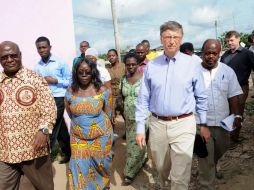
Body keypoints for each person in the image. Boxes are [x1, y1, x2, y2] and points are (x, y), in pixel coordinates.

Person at [135, 21, 208, 190]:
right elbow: (143, 99)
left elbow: (201, 97)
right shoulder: (152, 66)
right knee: (161, 168)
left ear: (181, 39)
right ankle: (164, 183)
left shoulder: (193, 64)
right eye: (168, 37)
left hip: (184, 124)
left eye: (176, 37)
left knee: (180, 174)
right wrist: (140, 128)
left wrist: (203, 124)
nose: (172, 41)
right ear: (161, 39)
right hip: (157, 125)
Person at [0, 41, 57, 190]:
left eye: (13, 55)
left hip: (33, 149)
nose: (10, 59)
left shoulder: (35, 79)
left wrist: (44, 130)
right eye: (5, 57)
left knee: (43, 187)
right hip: (5, 151)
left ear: (20, 56)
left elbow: (49, 108)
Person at [197, 39, 242, 190]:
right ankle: (206, 184)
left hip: (223, 122)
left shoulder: (227, 71)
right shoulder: (194, 73)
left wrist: (237, 116)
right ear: (202, 54)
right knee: (205, 156)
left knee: (221, 149)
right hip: (203, 124)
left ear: (219, 54)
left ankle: (213, 165)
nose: (210, 56)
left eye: (214, 53)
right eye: (207, 53)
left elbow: (234, 96)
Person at [65, 57, 113, 190]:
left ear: (93, 72)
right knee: (79, 169)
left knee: (101, 167)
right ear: (76, 73)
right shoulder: (70, 92)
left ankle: (104, 187)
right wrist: (82, 125)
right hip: (78, 138)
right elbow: (70, 113)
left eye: (87, 72)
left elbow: (108, 113)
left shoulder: (103, 90)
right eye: (81, 72)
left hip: (101, 137)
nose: (84, 75)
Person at [34, 36, 71, 164]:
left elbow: (70, 81)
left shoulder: (60, 63)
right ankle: (68, 153)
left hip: (59, 98)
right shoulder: (37, 67)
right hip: (45, 100)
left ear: (50, 47)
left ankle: (45, 157)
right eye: (39, 48)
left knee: (51, 126)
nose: (42, 50)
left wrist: (55, 80)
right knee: (61, 128)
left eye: (44, 47)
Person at [220, 31, 254, 143]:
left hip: (241, 88)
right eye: (228, 41)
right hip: (225, 88)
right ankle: (227, 135)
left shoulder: (247, 53)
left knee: (237, 111)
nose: (229, 43)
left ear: (238, 39)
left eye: (232, 40)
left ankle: (234, 139)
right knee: (227, 111)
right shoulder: (225, 55)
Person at [121, 52, 148, 186]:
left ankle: (129, 173)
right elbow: (122, 96)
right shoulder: (123, 79)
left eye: (133, 64)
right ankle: (142, 159)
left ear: (138, 64)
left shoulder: (144, 78)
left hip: (142, 116)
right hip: (128, 116)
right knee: (134, 143)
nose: (131, 67)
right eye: (128, 64)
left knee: (134, 145)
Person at [106, 49, 125, 124]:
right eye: (109, 56)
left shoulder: (123, 66)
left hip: (122, 96)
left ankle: (128, 134)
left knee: (126, 116)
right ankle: (112, 135)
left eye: (113, 55)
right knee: (111, 118)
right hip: (111, 96)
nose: (111, 57)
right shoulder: (107, 69)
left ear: (117, 56)